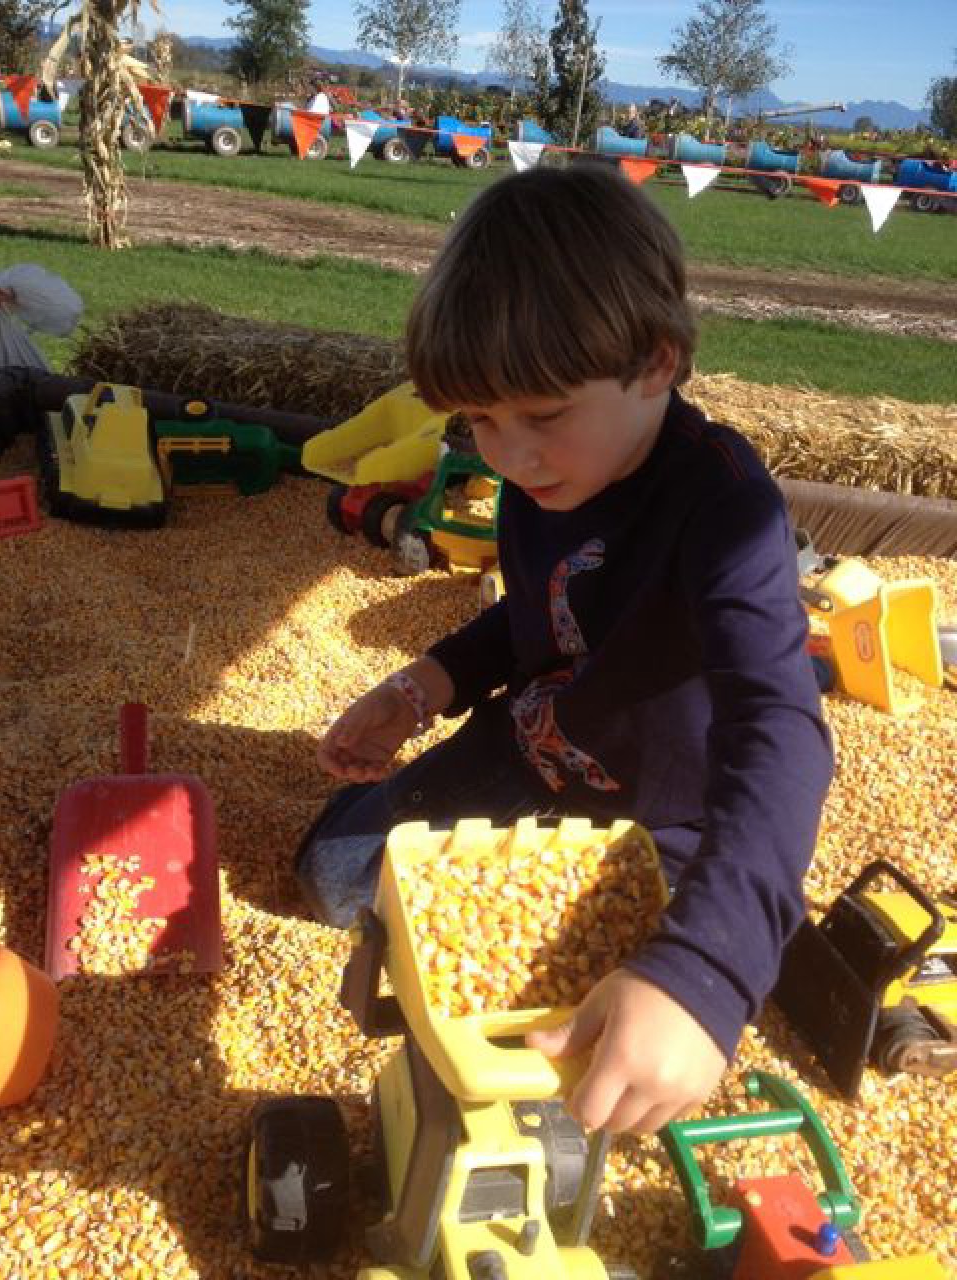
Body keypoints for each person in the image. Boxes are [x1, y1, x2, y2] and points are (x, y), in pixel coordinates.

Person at [295, 164, 833, 1136]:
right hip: (533, 752)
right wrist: (423, 686)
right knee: (334, 876)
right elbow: (540, 613)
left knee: (623, 1015)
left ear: (656, 363)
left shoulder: (726, 507)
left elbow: (781, 730)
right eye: (479, 420)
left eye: (542, 415)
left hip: (658, 817)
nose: (509, 455)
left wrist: (705, 970)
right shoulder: (539, 475)